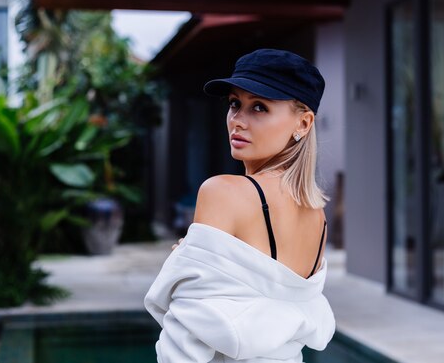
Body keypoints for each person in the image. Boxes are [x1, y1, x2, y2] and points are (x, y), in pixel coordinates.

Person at [144, 48, 336, 363]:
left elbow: (184, 338)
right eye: (235, 104)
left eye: (259, 107)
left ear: (303, 123)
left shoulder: (223, 192)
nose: (238, 121)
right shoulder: (317, 216)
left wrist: (182, 264)